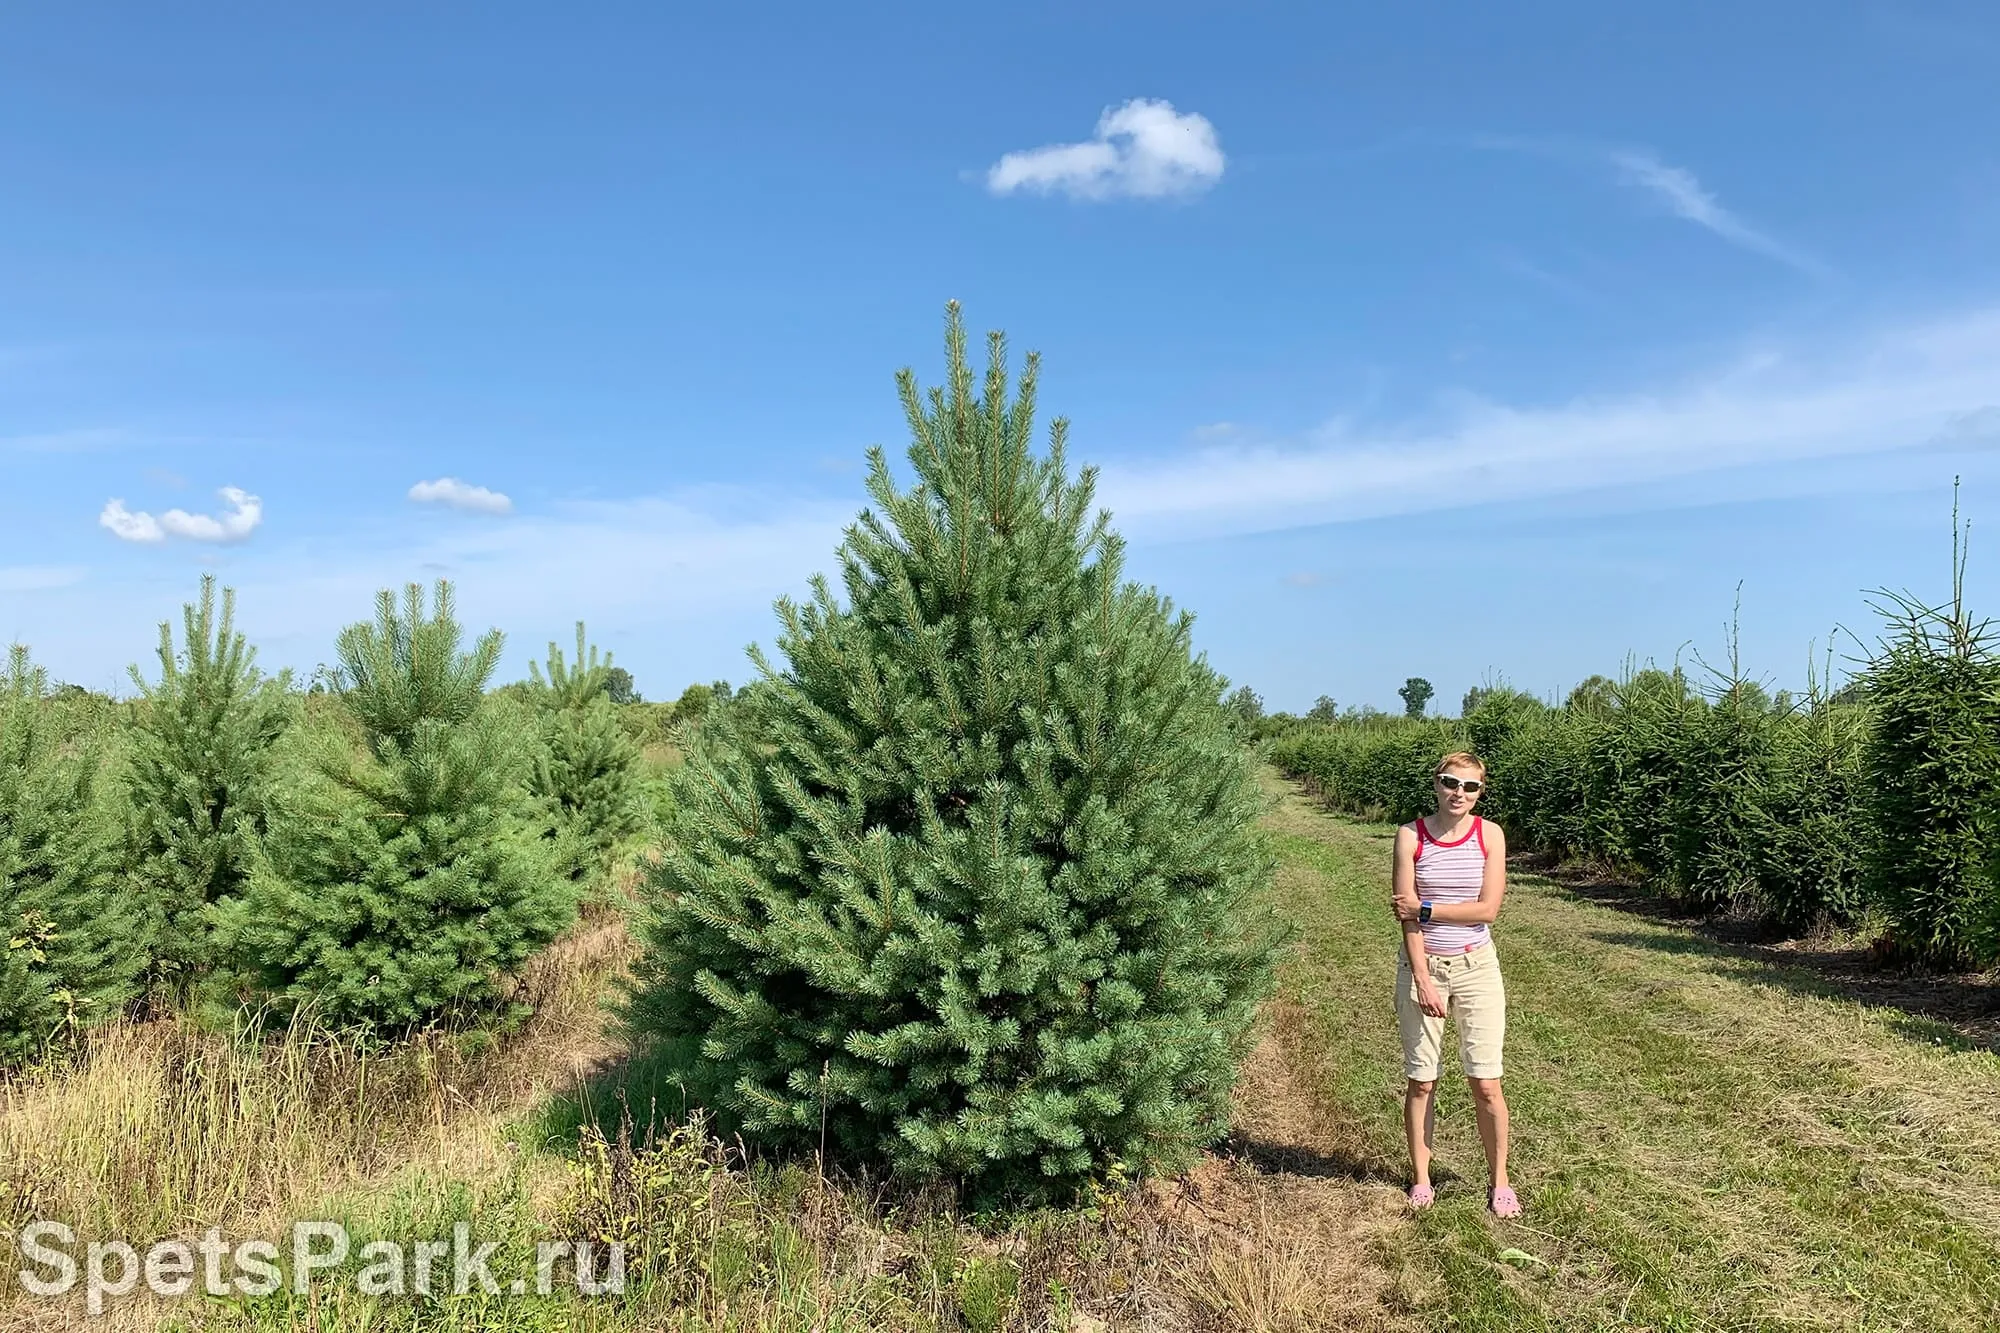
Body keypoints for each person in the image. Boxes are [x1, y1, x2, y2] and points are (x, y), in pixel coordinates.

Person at [1390, 751, 1518, 1217]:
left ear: (1480, 792)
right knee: (1422, 1080)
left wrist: (1426, 909)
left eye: (1470, 787)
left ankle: (1500, 1180)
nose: (1458, 793)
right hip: (1422, 967)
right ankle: (1422, 1178)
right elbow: (1404, 920)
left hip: (1477, 966)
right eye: (1450, 783)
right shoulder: (1410, 836)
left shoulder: (1490, 835)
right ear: (1437, 784)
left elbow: (1487, 910)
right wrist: (1422, 978)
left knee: (1486, 1082)